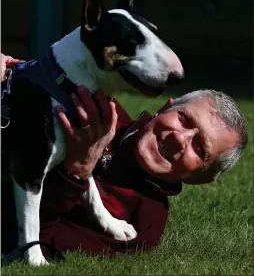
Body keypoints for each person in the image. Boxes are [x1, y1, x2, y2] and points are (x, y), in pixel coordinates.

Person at [1, 56, 248, 260]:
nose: (179, 139)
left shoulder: (143, 222)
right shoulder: (100, 107)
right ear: (165, 108)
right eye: (184, 119)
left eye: (199, 147)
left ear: (201, 178)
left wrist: (76, 172)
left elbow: (24, 244)